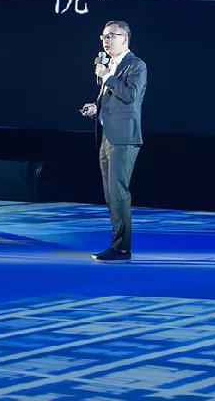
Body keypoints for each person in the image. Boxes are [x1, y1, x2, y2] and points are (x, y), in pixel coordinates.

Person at [79, 21, 147, 262]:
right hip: (107, 137)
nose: (106, 41)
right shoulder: (109, 66)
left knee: (118, 193)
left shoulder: (136, 65)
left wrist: (107, 76)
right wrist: (95, 108)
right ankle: (117, 245)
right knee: (110, 194)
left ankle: (122, 248)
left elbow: (130, 96)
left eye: (111, 36)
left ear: (125, 39)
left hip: (124, 138)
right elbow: (114, 102)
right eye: (104, 36)